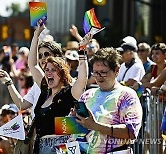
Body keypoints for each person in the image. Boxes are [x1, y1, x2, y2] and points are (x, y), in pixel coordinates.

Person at [28, 20, 90, 153]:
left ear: (62, 74)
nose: (48, 73)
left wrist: (82, 50)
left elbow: (83, 79)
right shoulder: (45, 90)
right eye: (46, 70)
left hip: (59, 148)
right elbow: (32, 64)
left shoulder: (69, 93)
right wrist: (36, 34)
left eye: (53, 70)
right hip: (39, 147)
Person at [73, 48, 142, 153]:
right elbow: (71, 130)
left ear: (116, 71)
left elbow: (131, 132)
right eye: (95, 72)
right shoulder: (87, 95)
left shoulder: (127, 95)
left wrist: (96, 126)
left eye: (103, 72)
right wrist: (73, 120)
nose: (99, 77)